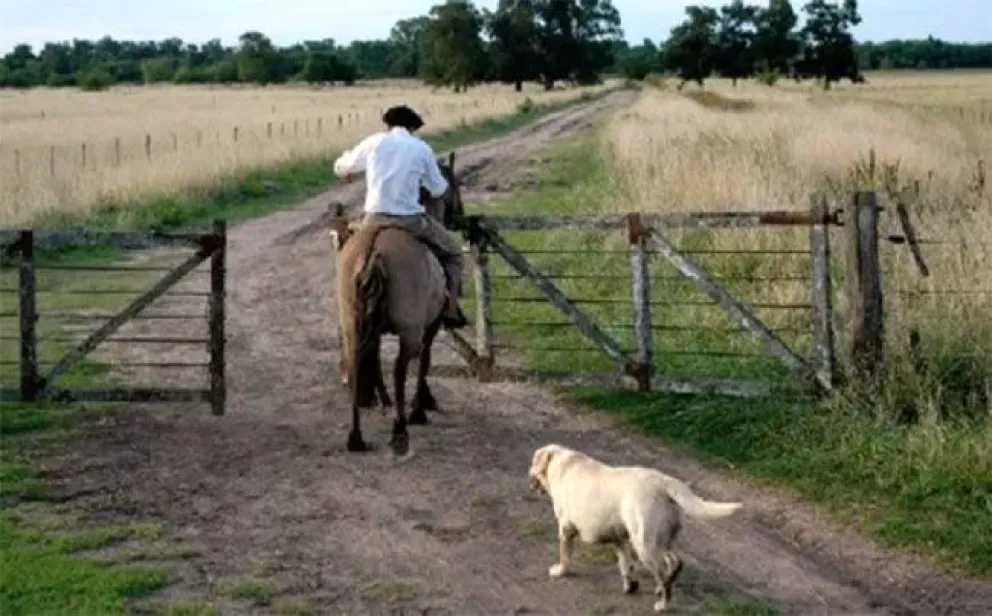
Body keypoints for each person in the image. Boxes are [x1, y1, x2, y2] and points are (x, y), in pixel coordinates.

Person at [332, 104, 468, 330]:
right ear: (413, 127)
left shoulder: (374, 142)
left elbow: (342, 166)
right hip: (410, 220)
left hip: (373, 218)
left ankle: (347, 297)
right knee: (454, 253)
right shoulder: (421, 148)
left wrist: (347, 170)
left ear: (388, 124)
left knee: (346, 243)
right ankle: (451, 307)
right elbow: (438, 190)